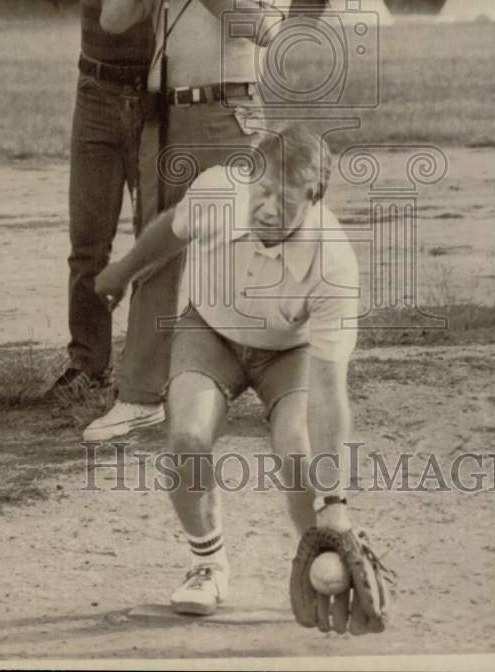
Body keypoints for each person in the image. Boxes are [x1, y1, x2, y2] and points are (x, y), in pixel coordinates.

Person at [95, 123, 362, 625]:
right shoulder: (221, 191)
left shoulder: (334, 262)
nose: (265, 207)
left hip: (289, 350)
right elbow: (171, 230)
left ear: (315, 196)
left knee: (296, 448)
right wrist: (123, 271)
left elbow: (329, 390)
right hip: (211, 329)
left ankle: (317, 553)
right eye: (261, 191)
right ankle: (207, 564)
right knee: (187, 437)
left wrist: (335, 502)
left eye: (283, 200)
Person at [82, 0, 294, 438]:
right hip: (166, 121)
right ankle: (141, 393)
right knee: (158, 250)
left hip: (232, 114)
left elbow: (265, 28)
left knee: (246, 248)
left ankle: (278, 375)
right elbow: (113, 15)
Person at [52, 0, 180, 392]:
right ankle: (87, 364)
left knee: (153, 239)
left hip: (159, 99)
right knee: (89, 244)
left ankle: (150, 368)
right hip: (97, 89)